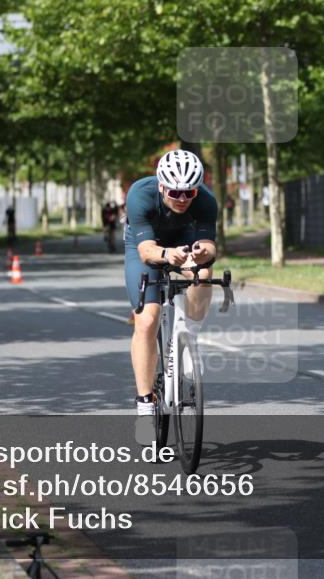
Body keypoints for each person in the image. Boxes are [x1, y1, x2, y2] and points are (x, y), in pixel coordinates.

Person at [124, 150, 217, 439]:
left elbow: (210, 247)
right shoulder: (140, 194)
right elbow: (146, 251)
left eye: (189, 192)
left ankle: (188, 335)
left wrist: (202, 253)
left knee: (204, 274)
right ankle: (145, 407)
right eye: (175, 191)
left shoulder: (205, 200)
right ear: (162, 186)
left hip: (183, 240)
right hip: (146, 246)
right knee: (148, 320)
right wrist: (165, 254)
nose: (182, 198)